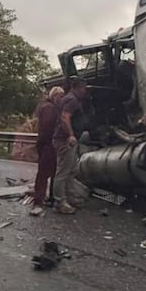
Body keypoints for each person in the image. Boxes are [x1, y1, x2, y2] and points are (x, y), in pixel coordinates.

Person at [52, 77, 89, 214]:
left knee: (70, 170)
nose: (85, 91)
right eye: (84, 88)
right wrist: (71, 135)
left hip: (65, 139)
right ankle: (60, 202)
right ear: (79, 87)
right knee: (63, 171)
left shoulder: (68, 99)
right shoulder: (72, 100)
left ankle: (69, 198)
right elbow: (65, 117)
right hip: (65, 140)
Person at [29, 86, 65, 216]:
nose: (62, 99)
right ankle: (40, 199)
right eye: (60, 96)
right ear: (55, 96)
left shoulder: (44, 106)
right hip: (48, 144)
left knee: (49, 172)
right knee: (46, 172)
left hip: (45, 144)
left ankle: (47, 197)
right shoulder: (50, 109)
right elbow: (48, 128)